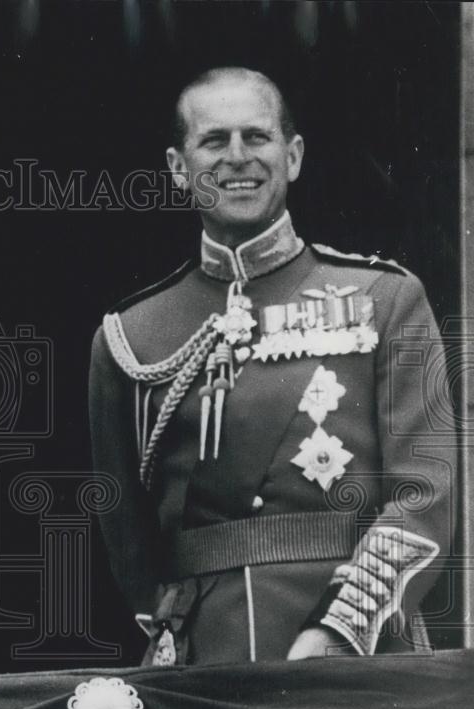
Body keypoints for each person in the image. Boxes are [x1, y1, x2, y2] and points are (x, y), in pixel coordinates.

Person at [88, 68, 454, 665]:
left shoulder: (384, 298)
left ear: (294, 156)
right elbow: (128, 541)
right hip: (204, 659)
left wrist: (338, 632)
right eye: (214, 140)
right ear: (179, 167)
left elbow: (425, 495)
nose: (238, 157)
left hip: (354, 656)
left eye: (256, 137)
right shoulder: (131, 336)